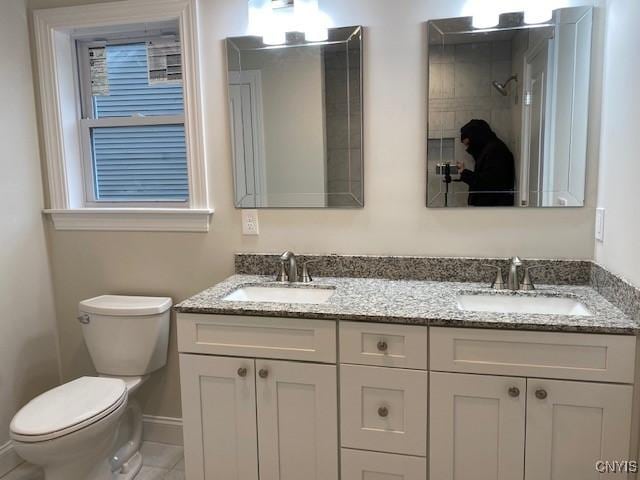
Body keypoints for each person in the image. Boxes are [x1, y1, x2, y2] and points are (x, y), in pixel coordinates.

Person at [456, 119, 515, 207]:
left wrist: (465, 173)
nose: (469, 149)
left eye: (469, 144)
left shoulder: (495, 151)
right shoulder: (490, 149)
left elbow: (488, 184)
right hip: (490, 210)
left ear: (476, 138)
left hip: (493, 211)